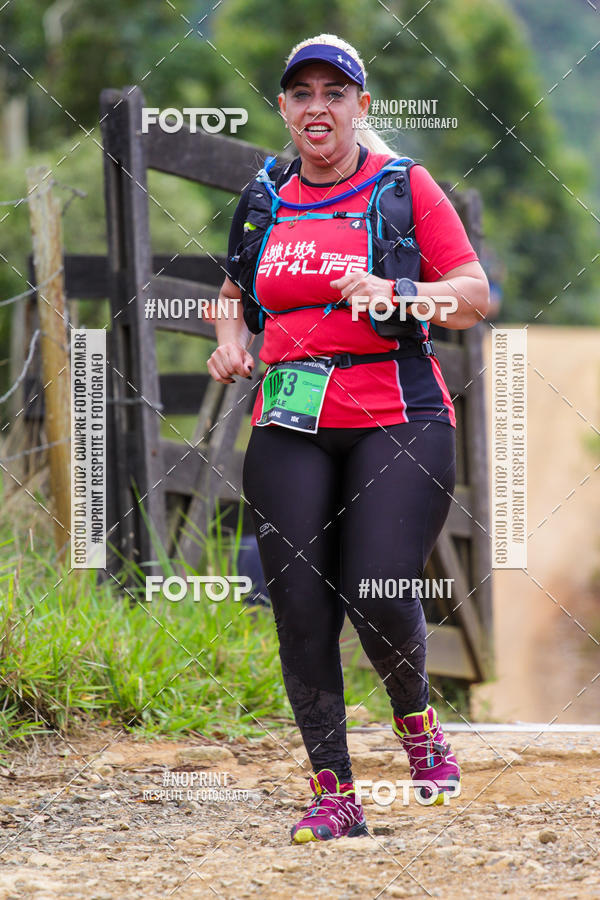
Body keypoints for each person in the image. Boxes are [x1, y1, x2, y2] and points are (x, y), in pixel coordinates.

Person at [208, 33, 490, 843]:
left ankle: (417, 725)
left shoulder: (404, 188)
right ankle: (335, 792)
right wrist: (230, 339)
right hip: (291, 418)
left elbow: (471, 297)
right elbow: (233, 292)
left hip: (398, 415)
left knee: (374, 589)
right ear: (286, 109)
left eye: (336, 93)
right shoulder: (264, 194)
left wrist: (397, 291)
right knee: (298, 604)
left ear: (362, 108)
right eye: (303, 94)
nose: (318, 108)